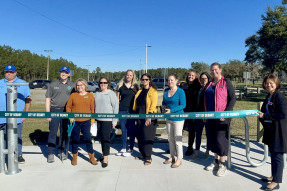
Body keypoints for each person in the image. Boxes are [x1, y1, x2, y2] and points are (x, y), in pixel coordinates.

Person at [204, 62, 236, 177]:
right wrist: (205, 115)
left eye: (216, 69)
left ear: (220, 70)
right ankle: (216, 161)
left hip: (222, 118)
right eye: (212, 70)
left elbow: (233, 99)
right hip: (210, 117)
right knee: (212, 139)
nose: (214, 72)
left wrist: (226, 113)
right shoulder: (209, 84)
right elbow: (205, 101)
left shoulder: (226, 82)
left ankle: (223, 164)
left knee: (220, 140)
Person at [258, 74, 287, 191]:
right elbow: (264, 111)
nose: (269, 85)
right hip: (270, 130)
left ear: (276, 84)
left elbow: (283, 114)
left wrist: (265, 115)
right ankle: (273, 176)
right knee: (273, 154)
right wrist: (261, 115)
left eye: (271, 83)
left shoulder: (279, 97)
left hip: (278, 131)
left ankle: (277, 182)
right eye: (267, 83)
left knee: (278, 156)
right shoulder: (269, 97)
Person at [0, 64, 31, 164]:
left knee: (17, 136)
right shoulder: (0, 83)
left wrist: (25, 113)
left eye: (11, 72)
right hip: (2, 117)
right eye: (6, 72)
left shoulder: (23, 84)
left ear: (15, 73)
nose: (8, 74)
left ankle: (19, 155)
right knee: (3, 137)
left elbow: (28, 99)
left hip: (16, 118)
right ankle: (3, 156)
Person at [45, 66, 75, 163]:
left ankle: (61, 151)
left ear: (69, 74)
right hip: (54, 110)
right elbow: (48, 99)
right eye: (62, 72)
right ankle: (50, 153)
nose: (64, 74)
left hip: (66, 111)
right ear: (59, 73)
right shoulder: (53, 84)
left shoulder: (72, 85)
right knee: (53, 132)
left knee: (64, 132)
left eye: (66, 72)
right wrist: (47, 113)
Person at [66, 78, 97, 166]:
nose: (79, 87)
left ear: (85, 86)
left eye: (81, 85)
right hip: (75, 122)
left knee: (88, 138)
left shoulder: (90, 95)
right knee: (75, 139)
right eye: (78, 85)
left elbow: (93, 109)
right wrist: (70, 116)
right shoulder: (73, 95)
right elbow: (68, 107)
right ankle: (74, 157)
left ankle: (91, 157)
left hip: (86, 121)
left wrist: (92, 119)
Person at [133, 73, 158, 166]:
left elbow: (153, 105)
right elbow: (137, 104)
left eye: (146, 79)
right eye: (143, 79)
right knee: (139, 137)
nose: (144, 81)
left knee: (147, 137)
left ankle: (148, 157)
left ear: (149, 80)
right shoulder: (140, 91)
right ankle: (143, 154)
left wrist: (149, 116)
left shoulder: (153, 91)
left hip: (149, 117)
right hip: (139, 117)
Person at [162, 74, 186, 168]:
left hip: (178, 118)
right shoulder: (166, 91)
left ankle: (179, 159)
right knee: (170, 138)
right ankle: (172, 156)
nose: (170, 82)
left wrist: (172, 110)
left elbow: (183, 105)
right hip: (169, 118)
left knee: (177, 139)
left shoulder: (180, 91)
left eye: (172, 80)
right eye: (168, 80)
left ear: (176, 81)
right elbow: (164, 102)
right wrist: (163, 107)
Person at [95, 77, 119, 168]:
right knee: (101, 138)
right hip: (98, 120)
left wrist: (114, 120)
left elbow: (115, 107)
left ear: (108, 84)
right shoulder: (97, 93)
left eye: (105, 82)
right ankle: (103, 154)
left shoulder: (111, 93)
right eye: (101, 82)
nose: (103, 84)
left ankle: (105, 158)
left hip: (107, 120)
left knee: (106, 139)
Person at [116, 70, 139, 157]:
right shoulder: (120, 86)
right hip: (122, 110)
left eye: (130, 75)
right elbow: (117, 98)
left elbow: (139, 97)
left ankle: (131, 148)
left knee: (131, 129)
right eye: (127, 75)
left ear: (133, 76)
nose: (129, 76)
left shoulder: (136, 86)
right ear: (125, 76)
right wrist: (117, 109)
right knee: (123, 129)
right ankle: (123, 147)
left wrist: (134, 90)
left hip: (132, 111)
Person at [190, 72, 212, 161]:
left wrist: (207, 114)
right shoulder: (199, 89)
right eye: (201, 79)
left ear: (208, 79)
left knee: (208, 134)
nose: (203, 80)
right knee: (198, 134)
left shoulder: (210, 89)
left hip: (207, 115)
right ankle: (196, 152)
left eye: (205, 78)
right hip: (198, 115)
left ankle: (207, 152)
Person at [180, 69, 201, 156]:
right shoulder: (183, 86)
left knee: (191, 130)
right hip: (182, 110)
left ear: (195, 77)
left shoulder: (198, 86)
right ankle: (176, 147)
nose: (190, 76)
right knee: (179, 129)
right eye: (189, 75)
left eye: (192, 75)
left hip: (192, 111)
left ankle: (190, 147)